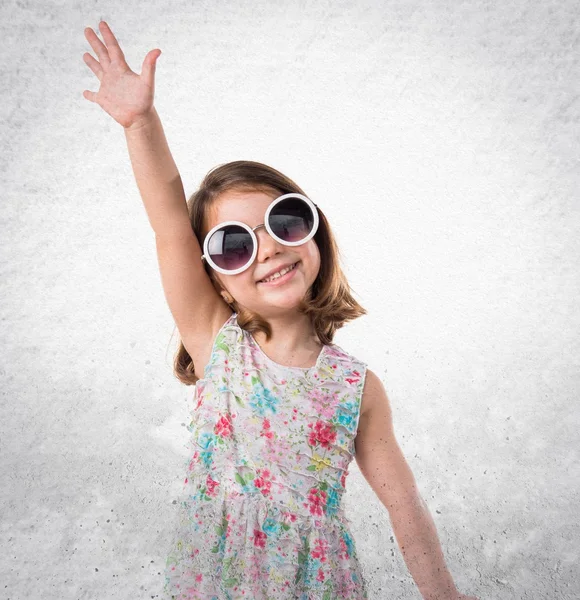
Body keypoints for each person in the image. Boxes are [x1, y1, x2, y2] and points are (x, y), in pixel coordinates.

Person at [82, 20, 480, 600]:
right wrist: (140, 123)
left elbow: (403, 502)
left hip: (317, 585)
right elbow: (170, 224)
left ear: (314, 234)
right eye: (235, 245)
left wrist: (443, 594)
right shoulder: (216, 342)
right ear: (214, 280)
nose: (266, 247)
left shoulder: (356, 387)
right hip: (215, 581)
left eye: (284, 222)